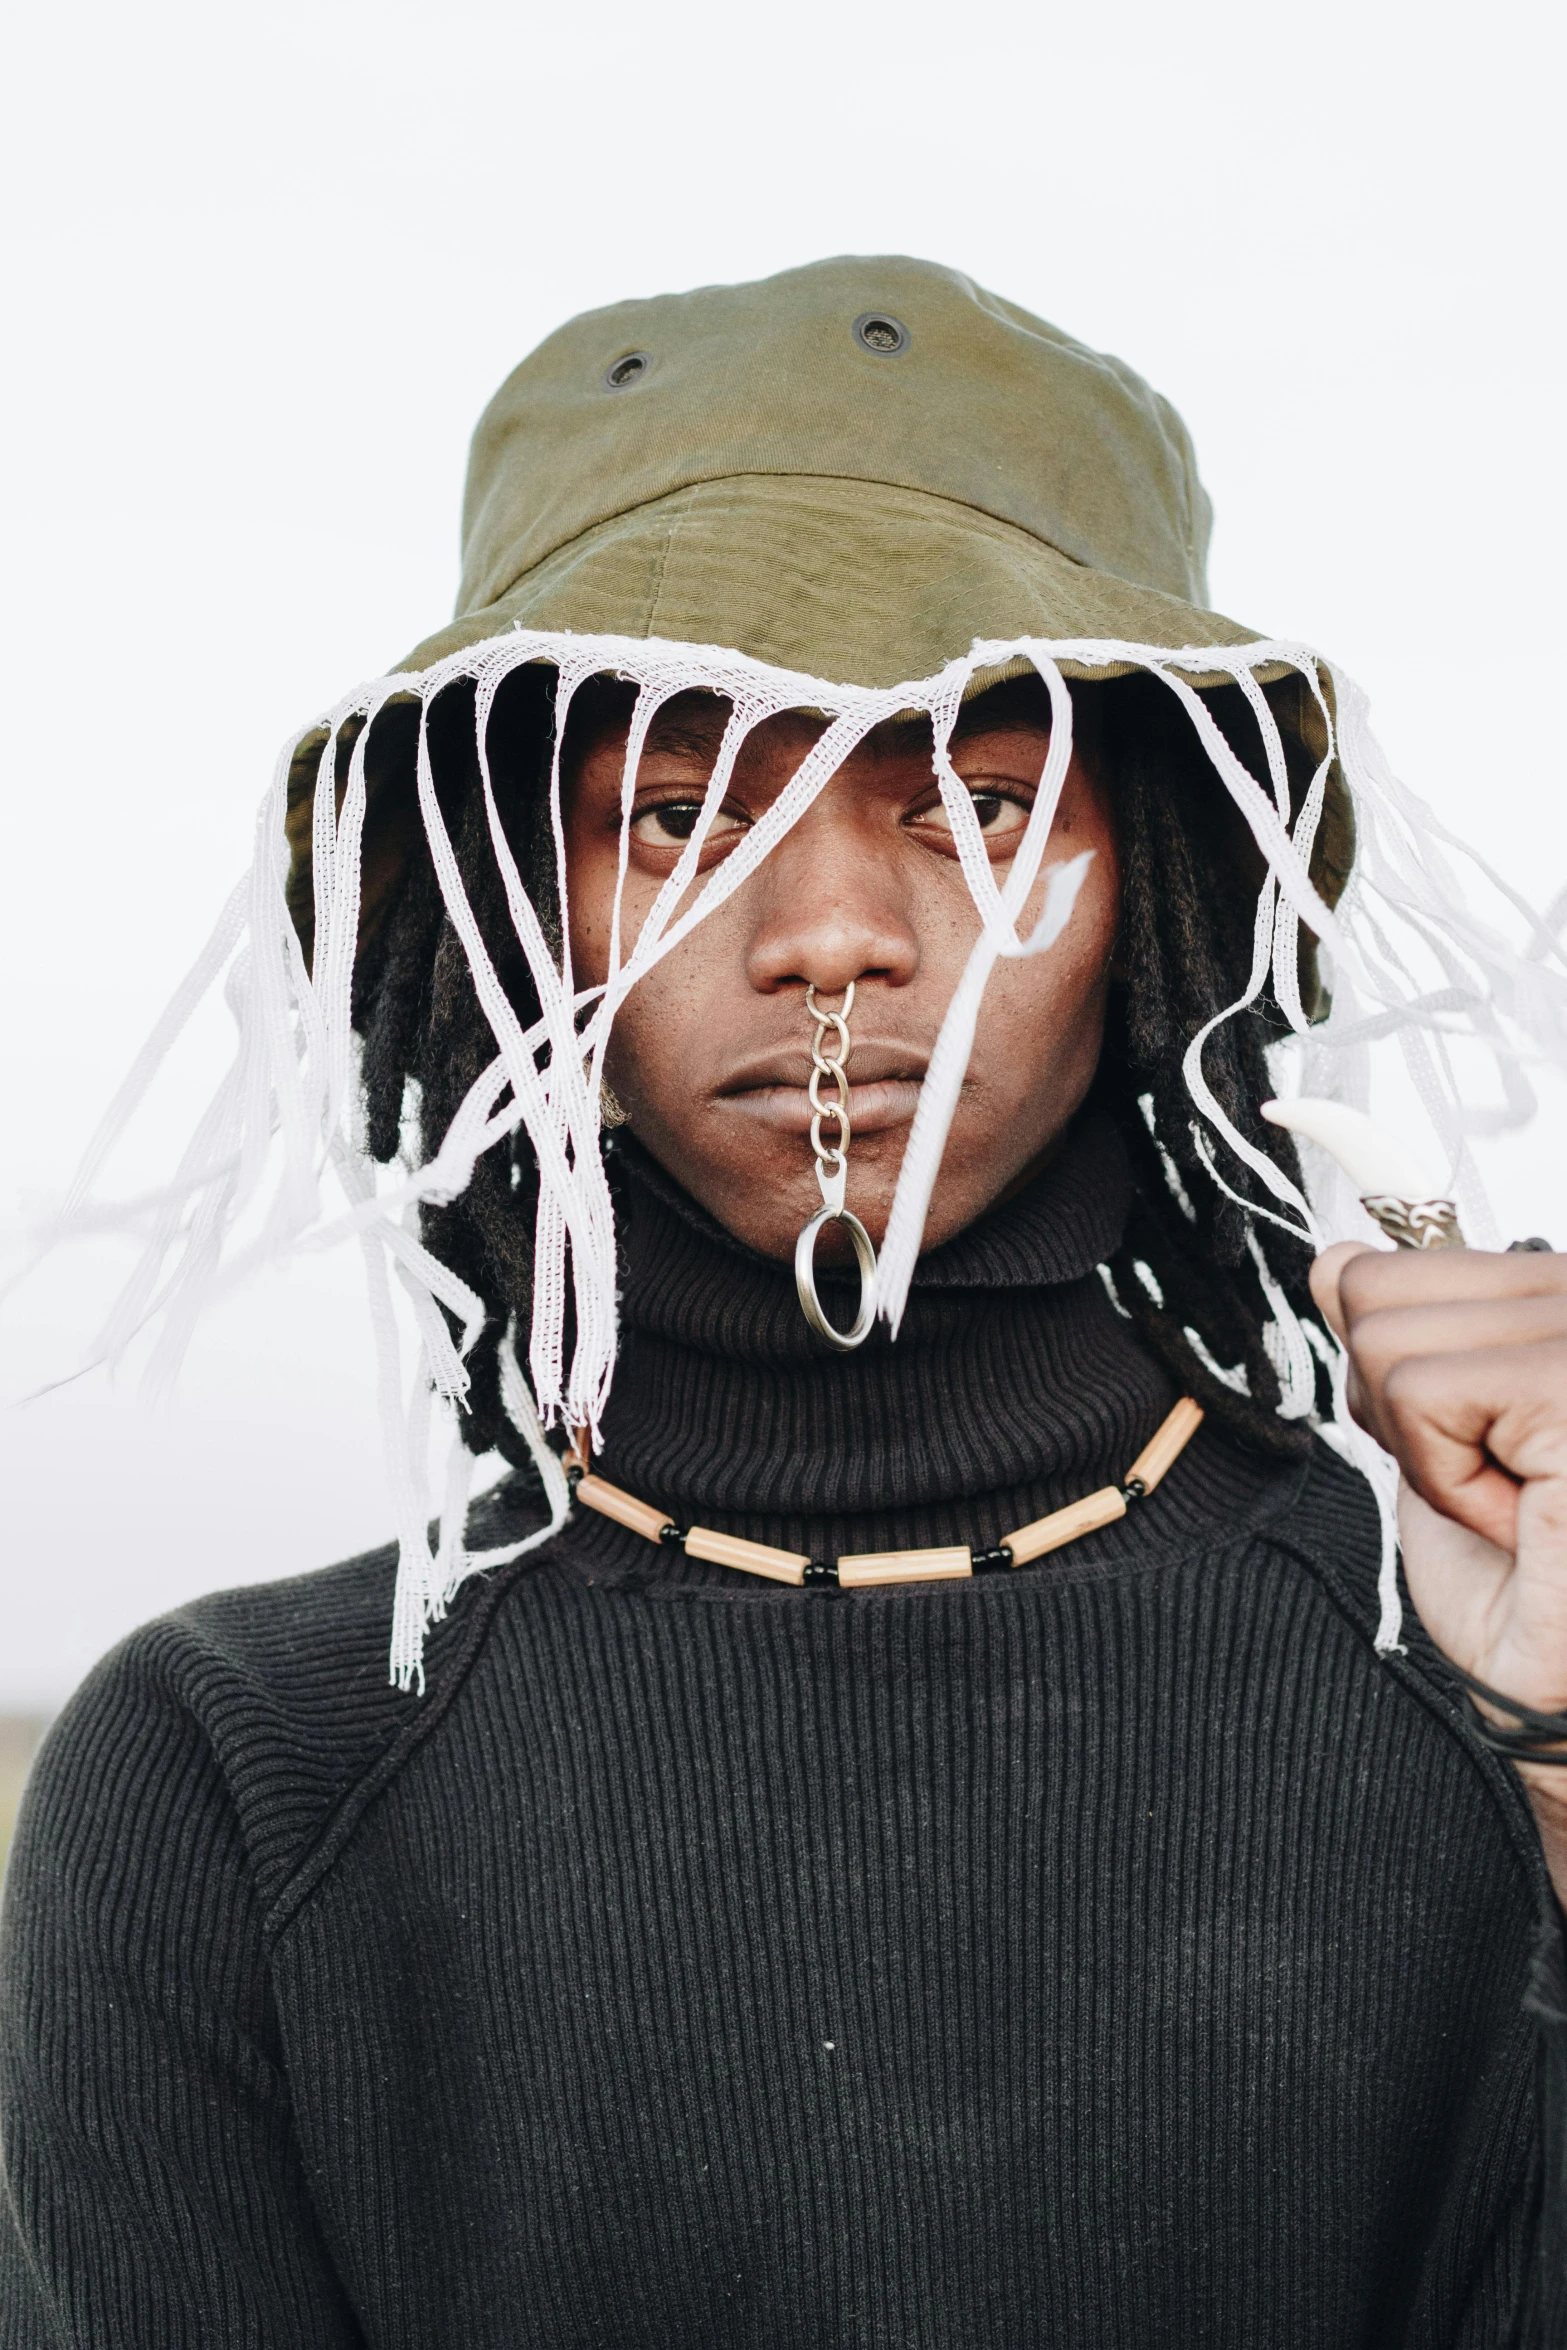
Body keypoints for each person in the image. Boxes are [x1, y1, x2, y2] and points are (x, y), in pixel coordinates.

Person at [3, 254, 1566, 2346]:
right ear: (503, 903)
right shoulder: (233, 1777)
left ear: (1171, 875)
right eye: (676, 814)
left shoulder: (1488, 1693)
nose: (831, 932)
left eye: (985, 810)